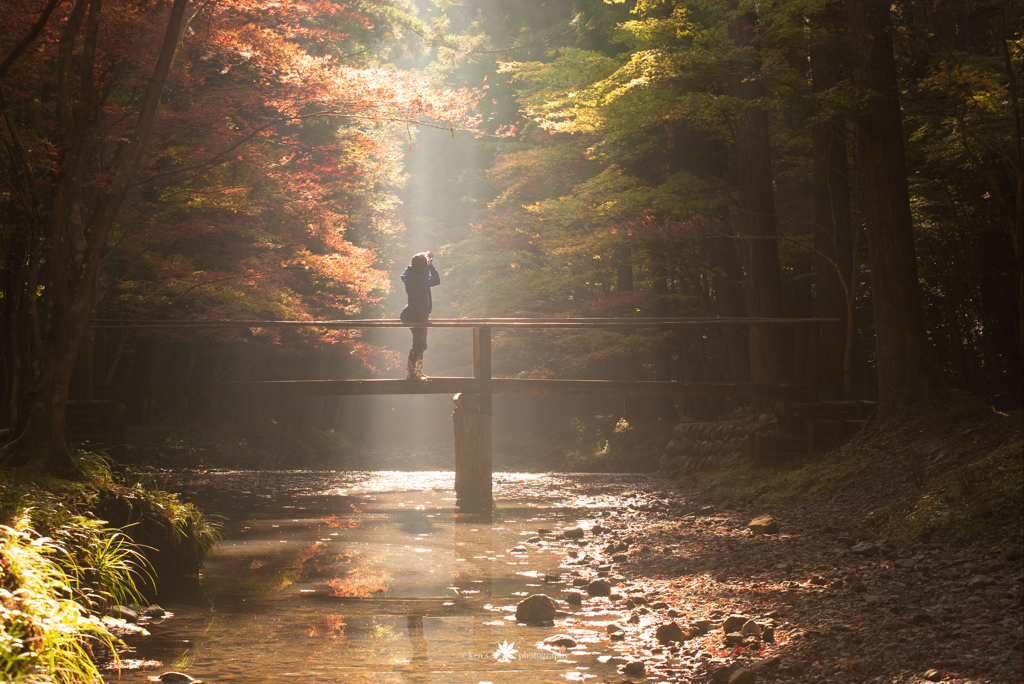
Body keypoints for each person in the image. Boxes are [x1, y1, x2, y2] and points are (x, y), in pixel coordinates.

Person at [400, 251, 440, 380]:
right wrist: (431, 267)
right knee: (419, 344)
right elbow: (436, 280)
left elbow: (417, 271)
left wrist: (424, 265)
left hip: (410, 312)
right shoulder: (420, 279)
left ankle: (416, 372)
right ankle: (413, 374)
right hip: (419, 314)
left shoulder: (410, 275)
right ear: (422, 268)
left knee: (419, 344)